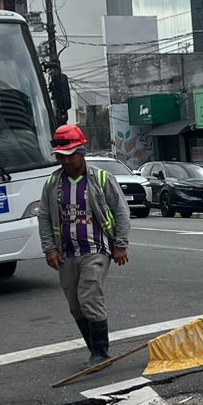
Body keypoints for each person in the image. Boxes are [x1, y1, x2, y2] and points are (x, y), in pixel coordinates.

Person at [35, 125, 130, 364]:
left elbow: (121, 212)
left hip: (95, 250)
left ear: (81, 152)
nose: (65, 161)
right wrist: (49, 248)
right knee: (75, 305)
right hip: (66, 253)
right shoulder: (52, 184)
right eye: (60, 157)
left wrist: (120, 245)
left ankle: (101, 353)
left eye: (69, 156)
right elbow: (44, 216)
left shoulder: (100, 178)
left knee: (89, 296)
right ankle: (93, 349)